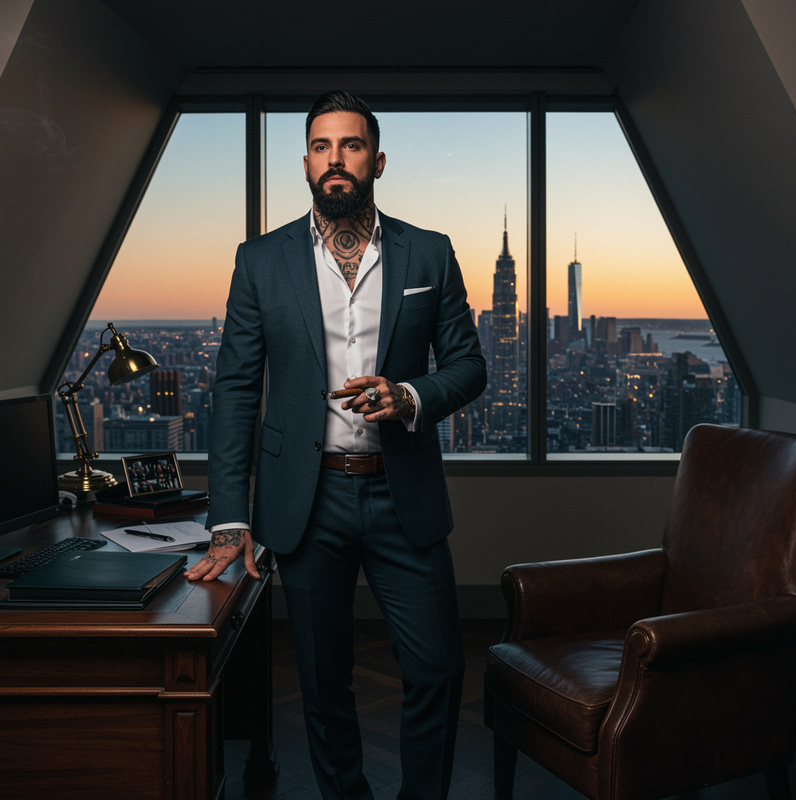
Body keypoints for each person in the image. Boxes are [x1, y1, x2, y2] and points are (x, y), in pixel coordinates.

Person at [185, 90, 487, 800]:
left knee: (439, 669)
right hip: (305, 503)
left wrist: (410, 396)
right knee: (322, 685)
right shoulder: (259, 261)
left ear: (376, 161)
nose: (335, 160)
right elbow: (234, 389)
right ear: (306, 163)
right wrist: (230, 516)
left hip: (401, 491)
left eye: (350, 146)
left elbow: (470, 366)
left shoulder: (430, 253)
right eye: (321, 147)